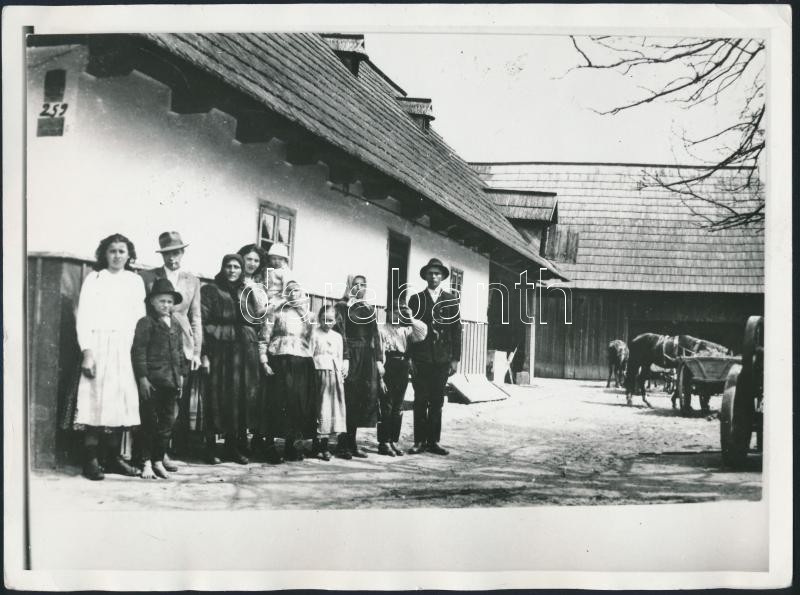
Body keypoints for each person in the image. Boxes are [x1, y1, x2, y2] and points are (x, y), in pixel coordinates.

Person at [70, 233, 146, 480]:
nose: (117, 256)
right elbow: (84, 317)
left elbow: (140, 318)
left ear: (129, 255)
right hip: (99, 345)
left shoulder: (135, 281)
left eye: (121, 251)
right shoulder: (95, 279)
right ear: (104, 254)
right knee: (95, 401)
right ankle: (90, 459)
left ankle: (113, 458)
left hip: (126, 347)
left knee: (120, 402)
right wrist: (88, 352)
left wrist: (136, 349)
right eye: (112, 251)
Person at [140, 231, 202, 465]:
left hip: (182, 344)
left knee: (174, 404)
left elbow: (196, 317)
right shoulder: (149, 276)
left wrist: (196, 351)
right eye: (167, 253)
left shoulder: (192, 280)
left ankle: (163, 451)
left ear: (183, 252)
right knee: (154, 404)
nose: (172, 258)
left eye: (176, 252)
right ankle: (152, 455)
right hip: (156, 343)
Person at [200, 254, 263, 464]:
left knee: (239, 398)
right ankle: (210, 448)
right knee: (217, 396)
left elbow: (256, 320)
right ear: (222, 267)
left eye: (237, 267)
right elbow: (202, 322)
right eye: (229, 266)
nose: (232, 270)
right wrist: (204, 353)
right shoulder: (210, 290)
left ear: (242, 270)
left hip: (244, 352)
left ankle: (232, 446)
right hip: (220, 349)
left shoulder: (246, 292)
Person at [132, 279, 188, 479]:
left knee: (166, 423)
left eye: (169, 302)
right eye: (162, 301)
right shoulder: (146, 323)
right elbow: (139, 351)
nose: (166, 305)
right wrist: (142, 378)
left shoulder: (176, 324)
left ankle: (158, 460)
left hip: (171, 382)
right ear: (152, 302)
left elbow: (179, 352)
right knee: (148, 422)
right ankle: (145, 462)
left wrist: (181, 376)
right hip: (152, 382)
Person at [407, 258, 462, 455]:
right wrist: (410, 358)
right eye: (430, 273)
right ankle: (419, 441)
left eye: (437, 273)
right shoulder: (416, 299)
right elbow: (409, 331)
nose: (433, 277)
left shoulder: (451, 300)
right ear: (425, 276)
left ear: (442, 277)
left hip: (442, 359)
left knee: (437, 401)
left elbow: (456, 330)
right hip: (421, 359)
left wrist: (455, 359)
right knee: (420, 399)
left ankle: (433, 441)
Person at [260, 280, 315, 463]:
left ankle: (291, 446)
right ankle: (269, 446)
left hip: (301, 361)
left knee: (296, 404)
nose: (293, 294)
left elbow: (311, 340)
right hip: (279, 360)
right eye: (289, 291)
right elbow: (264, 337)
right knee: (277, 402)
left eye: (296, 290)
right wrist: (264, 360)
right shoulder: (275, 311)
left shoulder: (307, 316)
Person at [334, 275, 384, 458]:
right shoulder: (342, 306)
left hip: (366, 358)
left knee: (360, 399)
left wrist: (378, 360)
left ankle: (352, 443)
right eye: (355, 284)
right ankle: (343, 445)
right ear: (349, 286)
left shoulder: (368, 308)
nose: (359, 287)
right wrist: (345, 357)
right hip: (350, 356)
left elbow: (375, 335)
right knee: (348, 398)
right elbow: (341, 333)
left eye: (363, 285)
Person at [378, 297, 427, 456]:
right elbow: (378, 353)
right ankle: (384, 442)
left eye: (399, 312)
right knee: (387, 405)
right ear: (387, 313)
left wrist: (410, 317)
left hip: (402, 366)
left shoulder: (406, 330)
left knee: (398, 406)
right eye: (393, 312)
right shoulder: (381, 329)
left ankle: (393, 440)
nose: (396, 315)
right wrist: (380, 375)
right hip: (388, 365)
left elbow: (422, 333)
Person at [236, 243, 270, 457]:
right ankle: (239, 440)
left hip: (258, 339)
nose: (252, 263)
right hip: (239, 338)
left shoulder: (261, 286)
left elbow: (264, 314)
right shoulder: (236, 282)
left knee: (257, 391)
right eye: (248, 259)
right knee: (240, 389)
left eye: (256, 260)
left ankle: (257, 439)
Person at [310, 305, 348, 461]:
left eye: (331, 320)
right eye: (324, 319)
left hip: (334, 376)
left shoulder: (337, 336)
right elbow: (310, 354)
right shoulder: (314, 333)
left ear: (336, 321)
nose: (327, 323)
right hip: (319, 374)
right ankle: (316, 445)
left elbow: (339, 356)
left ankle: (325, 445)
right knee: (321, 409)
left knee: (332, 410)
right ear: (319, 319)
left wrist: (341, 372)